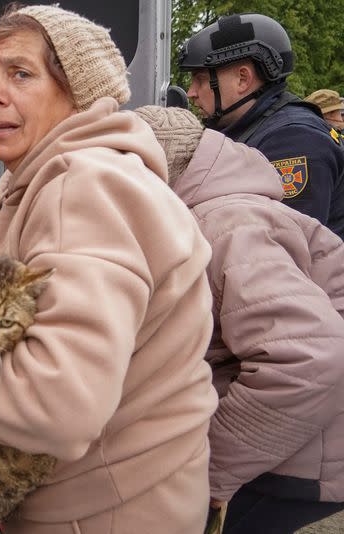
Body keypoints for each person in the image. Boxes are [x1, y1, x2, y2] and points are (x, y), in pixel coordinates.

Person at [0, 4, 219, 533]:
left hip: (103, 513)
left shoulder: (81, 188)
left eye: (21, 73)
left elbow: (57, 403)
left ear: (78, 89)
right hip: (132, 496)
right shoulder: (51, 178)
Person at [135, 104, 344, 534]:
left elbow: (309, 360)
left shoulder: (226, 224)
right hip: (284, 452)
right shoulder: (209, 216)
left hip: (288, 467)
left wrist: (209, 471)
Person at [178, 13, 344, 240]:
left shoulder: (294, 141)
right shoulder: (253, 129)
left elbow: (282, 250)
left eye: (200, 79)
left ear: (243, 79)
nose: (191, 93)